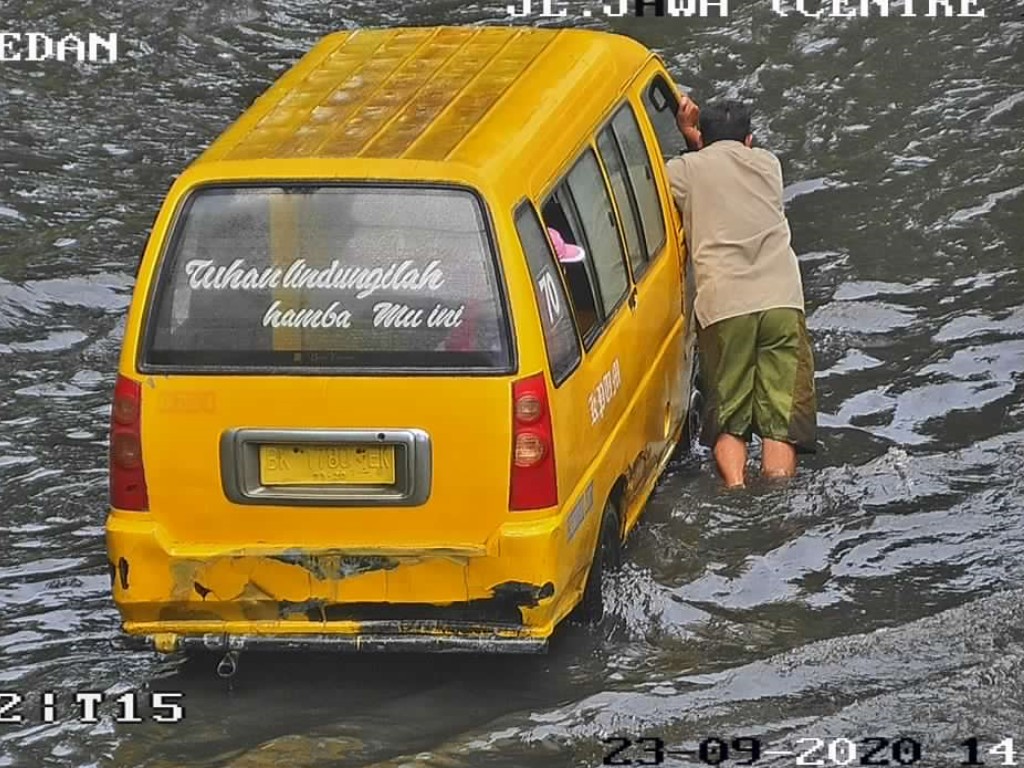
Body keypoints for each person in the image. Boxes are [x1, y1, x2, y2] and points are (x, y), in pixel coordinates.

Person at [666, 96, 817, 488]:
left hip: (725, 304)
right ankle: (778, 485)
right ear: (750, 141)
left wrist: (689, 138)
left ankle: (735, 487)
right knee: (780, 419)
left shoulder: (683, 171)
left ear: (704, 137)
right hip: (781, 298)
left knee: (728, 416)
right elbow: (728, 163)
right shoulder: (769, 165)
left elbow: (694, 174)